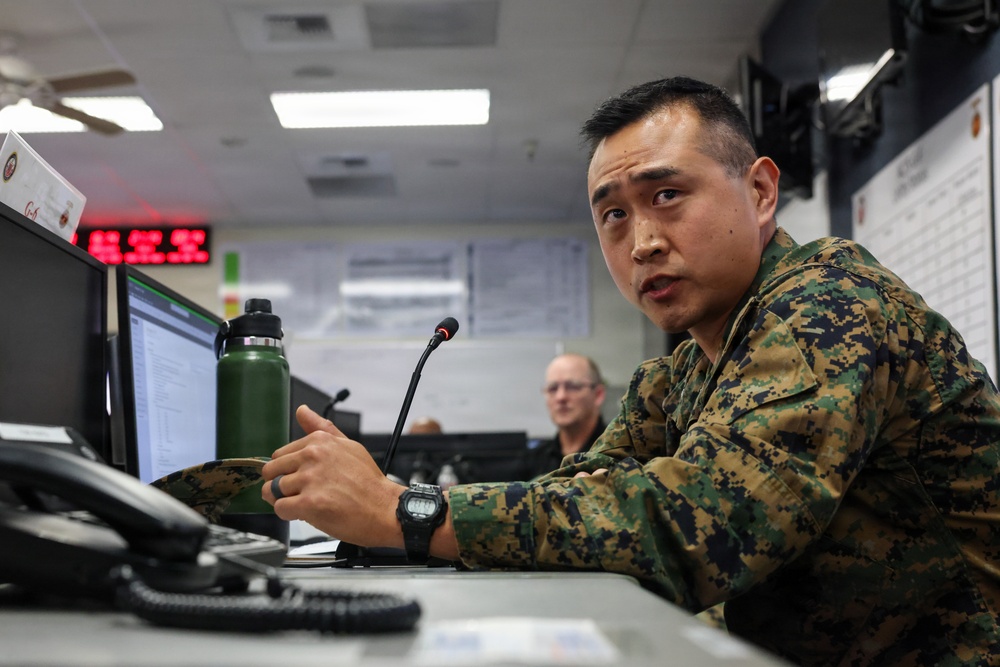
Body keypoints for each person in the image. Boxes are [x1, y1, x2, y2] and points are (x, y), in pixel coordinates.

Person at [260, 76, 1000, 665]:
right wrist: (393, 505)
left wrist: (407, 513)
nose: (642, 241)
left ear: (762, 191)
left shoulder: (827, 303)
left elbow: (703, 521)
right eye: (613, 215)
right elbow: (582, 498)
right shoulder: (678, 374)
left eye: (667, 195)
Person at [523, 353, 607, 478]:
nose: (561, 397)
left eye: (573, 386)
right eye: (552, 388)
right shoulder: (533, 461)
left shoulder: (617, 453)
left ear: (598, 395)